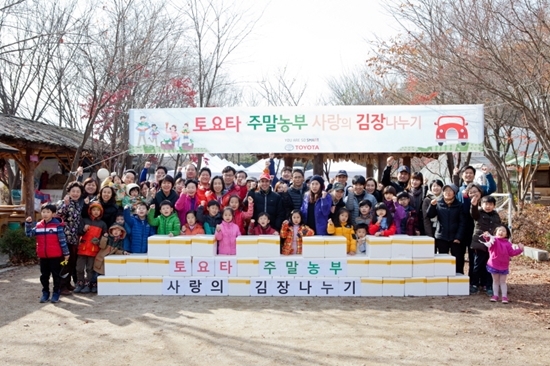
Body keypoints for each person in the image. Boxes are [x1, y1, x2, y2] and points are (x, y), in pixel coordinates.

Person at [454, 165, 497, 273]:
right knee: (459, 253)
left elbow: (491, 188)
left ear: (474, 175)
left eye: (471, 173)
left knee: (474, 254)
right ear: (462, 175)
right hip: (462, 225)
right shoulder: (459, 190)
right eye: (466, 173)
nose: (468, 175)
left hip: (477, 225)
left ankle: (473, 279)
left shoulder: (479, 188)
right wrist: (455, 175)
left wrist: (487, 174)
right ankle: (460, 276)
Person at [25, 203, 70, 303]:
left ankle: (56, 293)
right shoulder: (38, 226)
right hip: (43, 256)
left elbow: (62, 240)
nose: (45, 214)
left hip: (55, 256)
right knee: (44, 276)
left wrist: (66, 253)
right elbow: (29, 234)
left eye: (48, 212)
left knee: (56, 275)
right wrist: (28, 224)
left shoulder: (57, 226)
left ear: (53, 214)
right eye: (43, 212)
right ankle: (45, 292)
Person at [426, 184, 465, 273]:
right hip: (441, 236)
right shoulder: (438, 203)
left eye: (450, 191)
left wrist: (458, 237)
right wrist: (432, 206)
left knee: (458, 259)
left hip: (455, 237)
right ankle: (443, 276)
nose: (447, 193)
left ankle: (458, 278)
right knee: (442, 259)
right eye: (445, 191)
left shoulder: (459, 205)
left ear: (454, 193)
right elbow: (430, 215)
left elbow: (463, 222)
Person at [482, 226, 524, 303]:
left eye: (503, 231)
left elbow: (512, 253)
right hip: (493, 264)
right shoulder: (493, 240)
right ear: (496, 232)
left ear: (507, 234)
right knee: (495, 281)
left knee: (503, 281)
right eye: (499, 230)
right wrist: (486, 235)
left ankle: (504, 297)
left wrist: (520, 249)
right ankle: (495, 295)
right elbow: (488, 239)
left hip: (504, 265)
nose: (501, 232)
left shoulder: (508, 243)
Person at [56, 181, 84, 295]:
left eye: (78, 191)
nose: (75, 193)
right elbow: (58, 215)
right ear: (68, 192)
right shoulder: (64, 202)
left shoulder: (77, 204)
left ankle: (67, 283)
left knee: (71, 262)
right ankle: (61, 286)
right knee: (64, 262)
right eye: (73, 191)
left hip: (74, 238)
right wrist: (65, 204)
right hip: (65, 237)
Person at [470, 195, 501, 295]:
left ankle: (488, 286)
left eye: (490, 204)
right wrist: (473, 205)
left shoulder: (496, 215)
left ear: (494, 206)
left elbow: (499, 229)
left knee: (490, 267)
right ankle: (474, 284)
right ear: (481, 204)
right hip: (479, 244)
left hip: (492, 246)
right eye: (486, 204)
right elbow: (473, 213)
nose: (488, 206)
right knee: (477, 265)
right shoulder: (478, 213)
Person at [77, 202, 108, 294]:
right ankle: (80, 283)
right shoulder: (84, 220)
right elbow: (79, 232)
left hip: (93, 250)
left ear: (101, 212)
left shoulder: (102, 224)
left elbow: (104, 239)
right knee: (79, 268)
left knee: (90, 269)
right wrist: (84, 230)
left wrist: (101, 240)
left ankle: (88, 284)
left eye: (98, 210)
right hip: (82, 249)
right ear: (90, 211)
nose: (96, 212)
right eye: (94, 210)